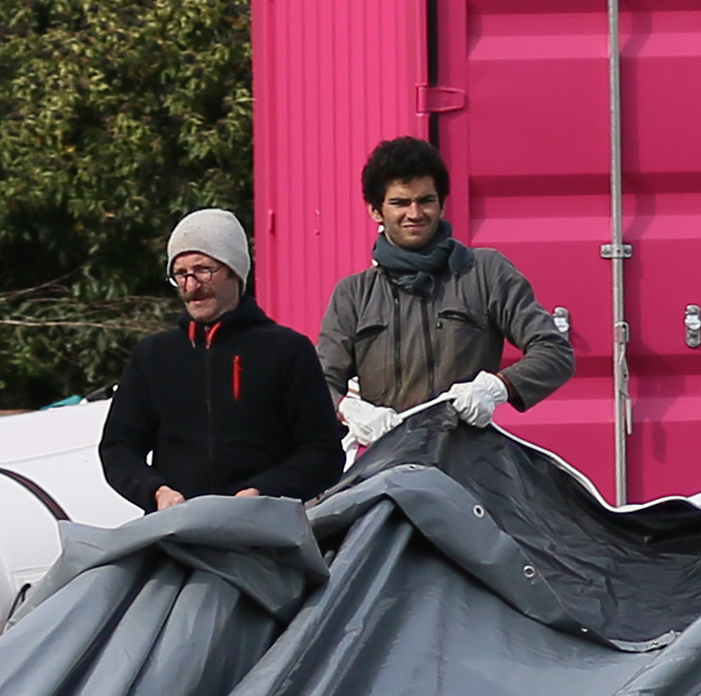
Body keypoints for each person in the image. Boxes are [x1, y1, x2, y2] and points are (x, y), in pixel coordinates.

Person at [317, 135, 575, 446]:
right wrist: (348, 410)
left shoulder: (485, 272)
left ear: (442, 205)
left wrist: (498, 387)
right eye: (400, 202)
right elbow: (318, 384)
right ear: (375, 210)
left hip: (471, 464)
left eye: (426, 200)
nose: (415, 213)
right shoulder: (353, 295)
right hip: (385, 466)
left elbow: (555, 352)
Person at [98, 210, 344, 511]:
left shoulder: (288, 351)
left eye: (203, 270)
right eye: (180, 274)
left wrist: (263, 493)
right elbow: (118, 448)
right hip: (177, 536)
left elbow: (323, 453)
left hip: (266, 536)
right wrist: (157, 492)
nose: (191, 286)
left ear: (235, 271)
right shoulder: (153, 355)